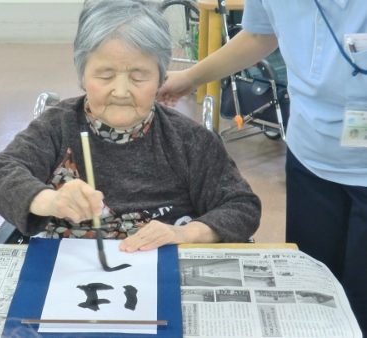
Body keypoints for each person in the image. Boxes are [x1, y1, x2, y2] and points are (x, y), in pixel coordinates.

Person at [0, 0, 261, 254]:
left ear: (161, 78)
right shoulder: (58, 125)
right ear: (82, 74)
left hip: (160, 274)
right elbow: (0, 172)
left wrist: (185, 233)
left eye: (139, 77)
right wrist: (48, 200)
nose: (121, 91)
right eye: (105, 75)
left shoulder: (188, 140)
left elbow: (242, 207)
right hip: (67, 273)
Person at [157, 0, 367, 332]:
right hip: (310, 154)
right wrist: (191, 77)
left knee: (360, 298)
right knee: (312, 284)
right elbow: (259, 34)